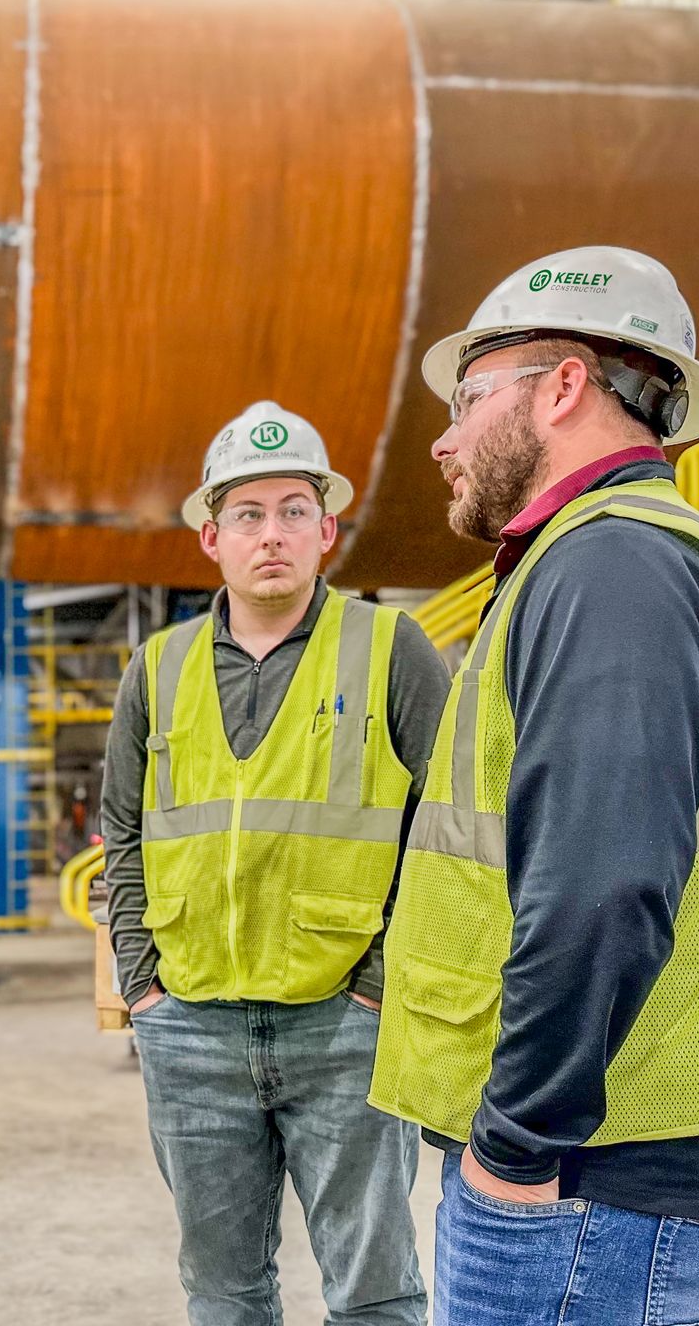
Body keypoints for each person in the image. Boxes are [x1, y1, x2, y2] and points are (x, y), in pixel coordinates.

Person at [369, 247, 699, 1325]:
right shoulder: (617, 557)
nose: (444, 439)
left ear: (565, 384)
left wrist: (515, 1150)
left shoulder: (609, 565)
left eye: (469, 398)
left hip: (596, 1170)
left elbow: (601, 885)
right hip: (619, 1152)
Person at [102, 401, 448, 1326]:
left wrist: (379, 984)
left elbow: (449, 832)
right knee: (221, 1289)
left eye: (294, 510)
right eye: (248, 515)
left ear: (327, 530)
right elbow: (123, 835)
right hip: (191, 1026)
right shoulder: (156, 668)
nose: (273, 534)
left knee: (374, 1288)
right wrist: (145, 990)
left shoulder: (390, 650)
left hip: (346, 1026)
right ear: (211, 536)